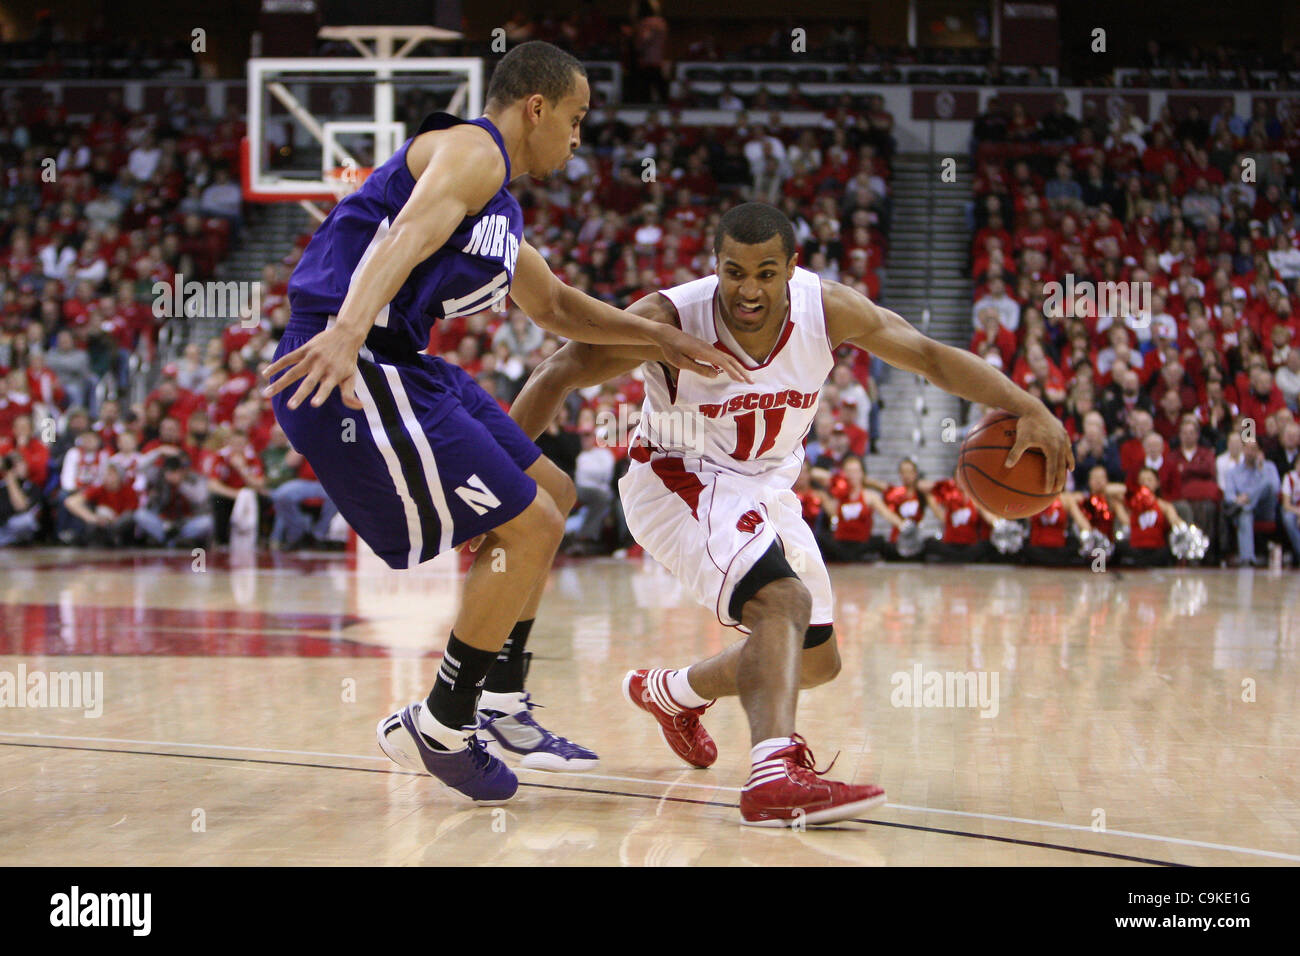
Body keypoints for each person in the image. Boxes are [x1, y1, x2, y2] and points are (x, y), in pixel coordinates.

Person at [263, 41, 748, 803]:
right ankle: (445, 726)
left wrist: (658, 336)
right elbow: (406, 235)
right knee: (528, 528)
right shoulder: (471, 150)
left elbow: (553, 306)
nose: (578, 137)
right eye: (576, 118)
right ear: (536, 108)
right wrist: (350, 330)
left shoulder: (498, 209)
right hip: (352, 359)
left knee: (552, 495)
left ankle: (496, 701)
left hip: (401, 360)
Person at [507, 202, 1073, 826]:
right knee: (783, 602)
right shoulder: (669, 318)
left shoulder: (828, 309)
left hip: (767, 488)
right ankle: (773, 777)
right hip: (678, 480)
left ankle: (673, 694)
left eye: (766, 273)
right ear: (714, 267)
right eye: (735, 272)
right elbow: (556, 372)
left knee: (815, 660)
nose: (749, 290)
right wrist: (498, 485)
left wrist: (1029, 406)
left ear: (792, 269)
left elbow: (929, 356)